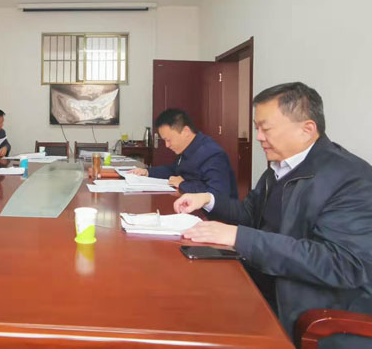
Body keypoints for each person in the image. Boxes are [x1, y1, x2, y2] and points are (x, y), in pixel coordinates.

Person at [174, 82, 372, 345]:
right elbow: (250, 214)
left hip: (310, 312)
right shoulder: (279, 168)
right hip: (260, 285)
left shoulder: (350, 178)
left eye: (265, 129)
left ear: (307, 129)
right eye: (256, 128)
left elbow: (342, 264)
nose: (258, 137)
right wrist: (208, 200)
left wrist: (239, 237)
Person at [129, 108, 237, 197]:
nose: (167, 145)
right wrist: (147, 172)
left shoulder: (212, 154)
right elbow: (174, 170)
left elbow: (217, 193)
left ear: (186, 132)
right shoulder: (187, 148)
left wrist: (183, 184)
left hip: (212, 215)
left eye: (169, 140)